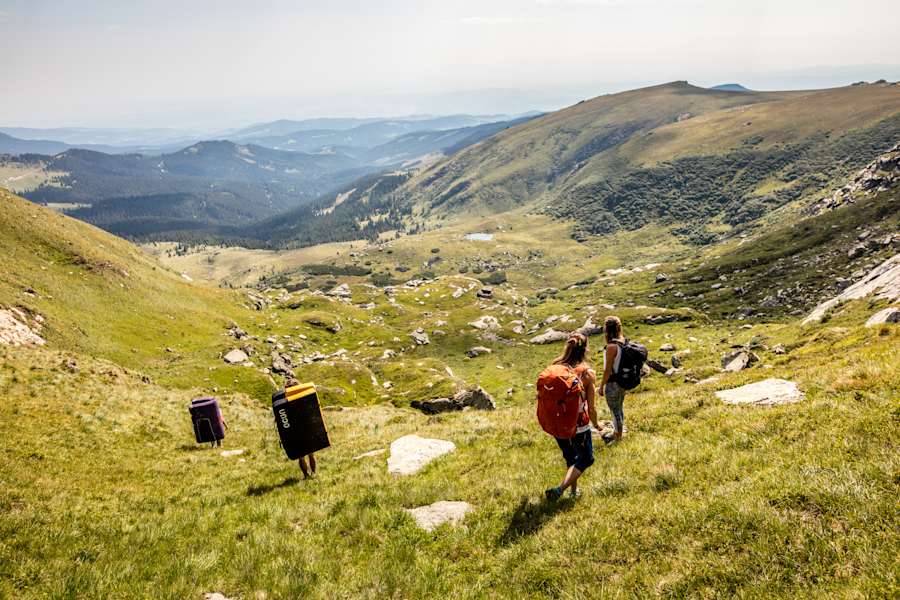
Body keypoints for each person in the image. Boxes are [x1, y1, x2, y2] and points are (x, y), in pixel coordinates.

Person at [545, 332, 600, 501]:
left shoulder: (555, 367)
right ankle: (560, 489)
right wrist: (596, 424)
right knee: (586, 458)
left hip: (557, 422)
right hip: (578, 424)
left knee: (571, 457)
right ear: (585, 349)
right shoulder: (587, 374)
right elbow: (591, 408)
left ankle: (573, 492)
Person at [599, 316, 626, 442]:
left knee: (614, 409)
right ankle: (619, 431)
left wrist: (601, 386)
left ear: (606, 330)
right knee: (619, 407)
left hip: (613, 382)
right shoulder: (622, 341)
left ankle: (618, 436)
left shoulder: (611, 347)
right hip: (622, 381)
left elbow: (607, 370)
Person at [286, 378, 317, 479]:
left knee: (302, 455)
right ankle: (312, 474)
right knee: (310, 454)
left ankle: (307, 475)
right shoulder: (304, 396)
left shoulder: (285, 400)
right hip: (306, 428)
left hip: (295, 430)